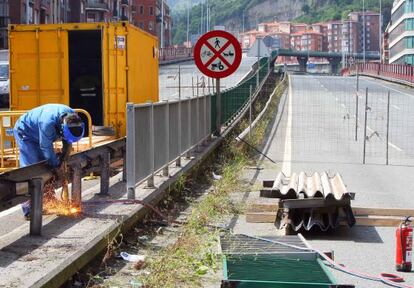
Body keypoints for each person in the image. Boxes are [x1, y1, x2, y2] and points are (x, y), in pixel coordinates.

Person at [13, 104, 85, 219]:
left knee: (47, 168)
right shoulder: (47, 123)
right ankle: (29, 209)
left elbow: (68, 141)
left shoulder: (72, 117)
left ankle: (48, 202)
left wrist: (64, 156)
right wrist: (57, 166)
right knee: (32, 170)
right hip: (26, 134)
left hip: (40, 133)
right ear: (62, 127)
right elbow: (46, 147)